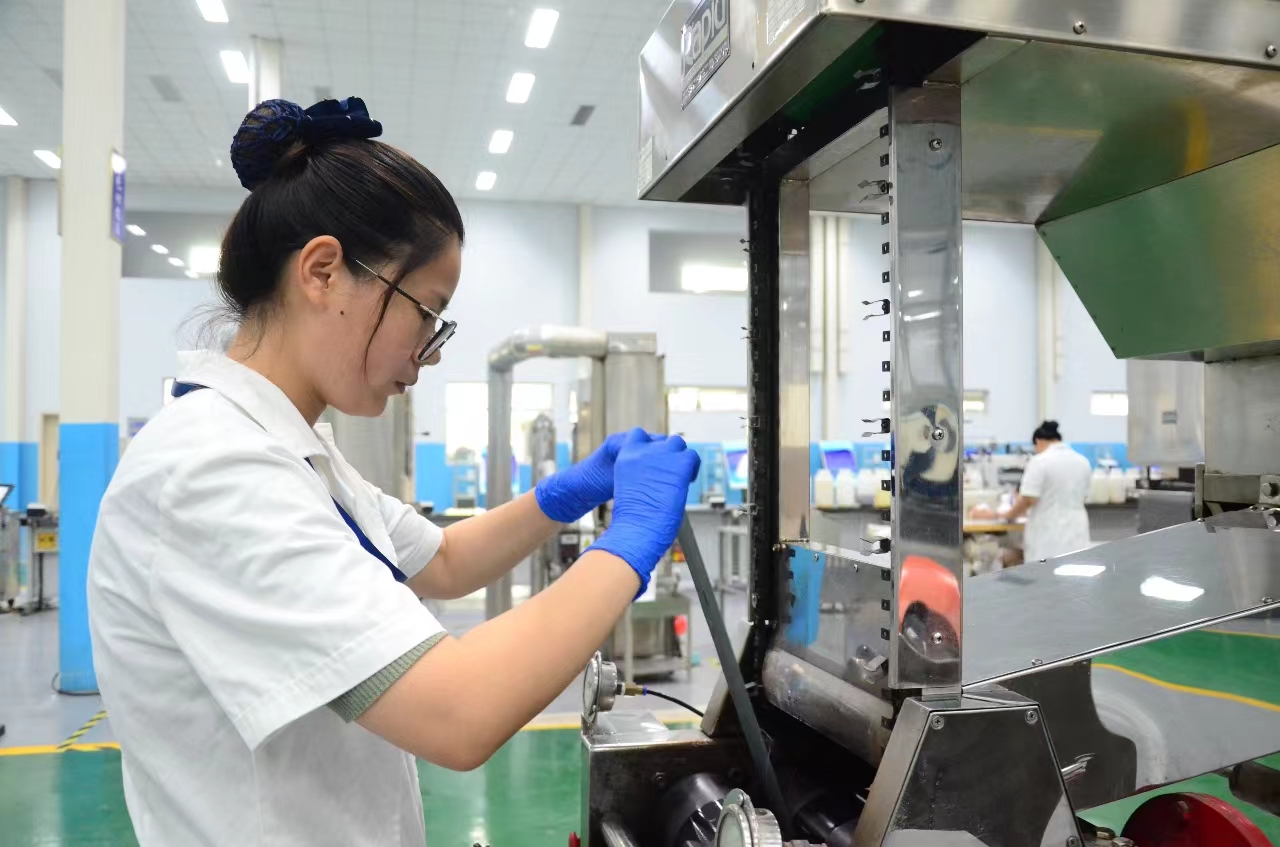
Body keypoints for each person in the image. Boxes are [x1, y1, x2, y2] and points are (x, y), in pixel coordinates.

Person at [86, 97, 700, 846]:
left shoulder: (292, 450)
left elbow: (444, 560)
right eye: (425, 311)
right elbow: (460, 711)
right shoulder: (213, 471)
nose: (428, 352)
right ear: (322, 272)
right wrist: (629, 543)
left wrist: (567, 493)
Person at [999, 420, 1093, 563]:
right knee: (1075, 569)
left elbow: (1028, 499)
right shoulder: (1083, 462)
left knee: (1044, 573)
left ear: (1039, 442)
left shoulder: (1039, 462)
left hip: (1048, 534)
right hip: (1077, 531)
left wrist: (1008, 515)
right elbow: (1083, 497)